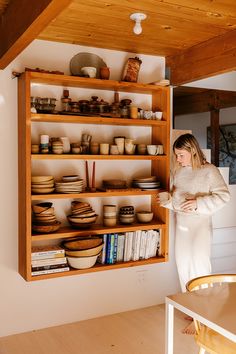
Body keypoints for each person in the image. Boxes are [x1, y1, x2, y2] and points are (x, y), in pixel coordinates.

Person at [158, 133, 230, 334]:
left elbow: (224, 196)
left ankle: (204, 317)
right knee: (184, 267)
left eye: (181, 155)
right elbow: (180, 202)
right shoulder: (179, 173)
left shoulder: (209, 171)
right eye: (176, 156)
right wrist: (167, 201)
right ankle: (194, 309)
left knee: (199, 269)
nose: (178, 160)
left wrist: (199, 203)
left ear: (191, 151)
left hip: (200, 226)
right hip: (182, 225)